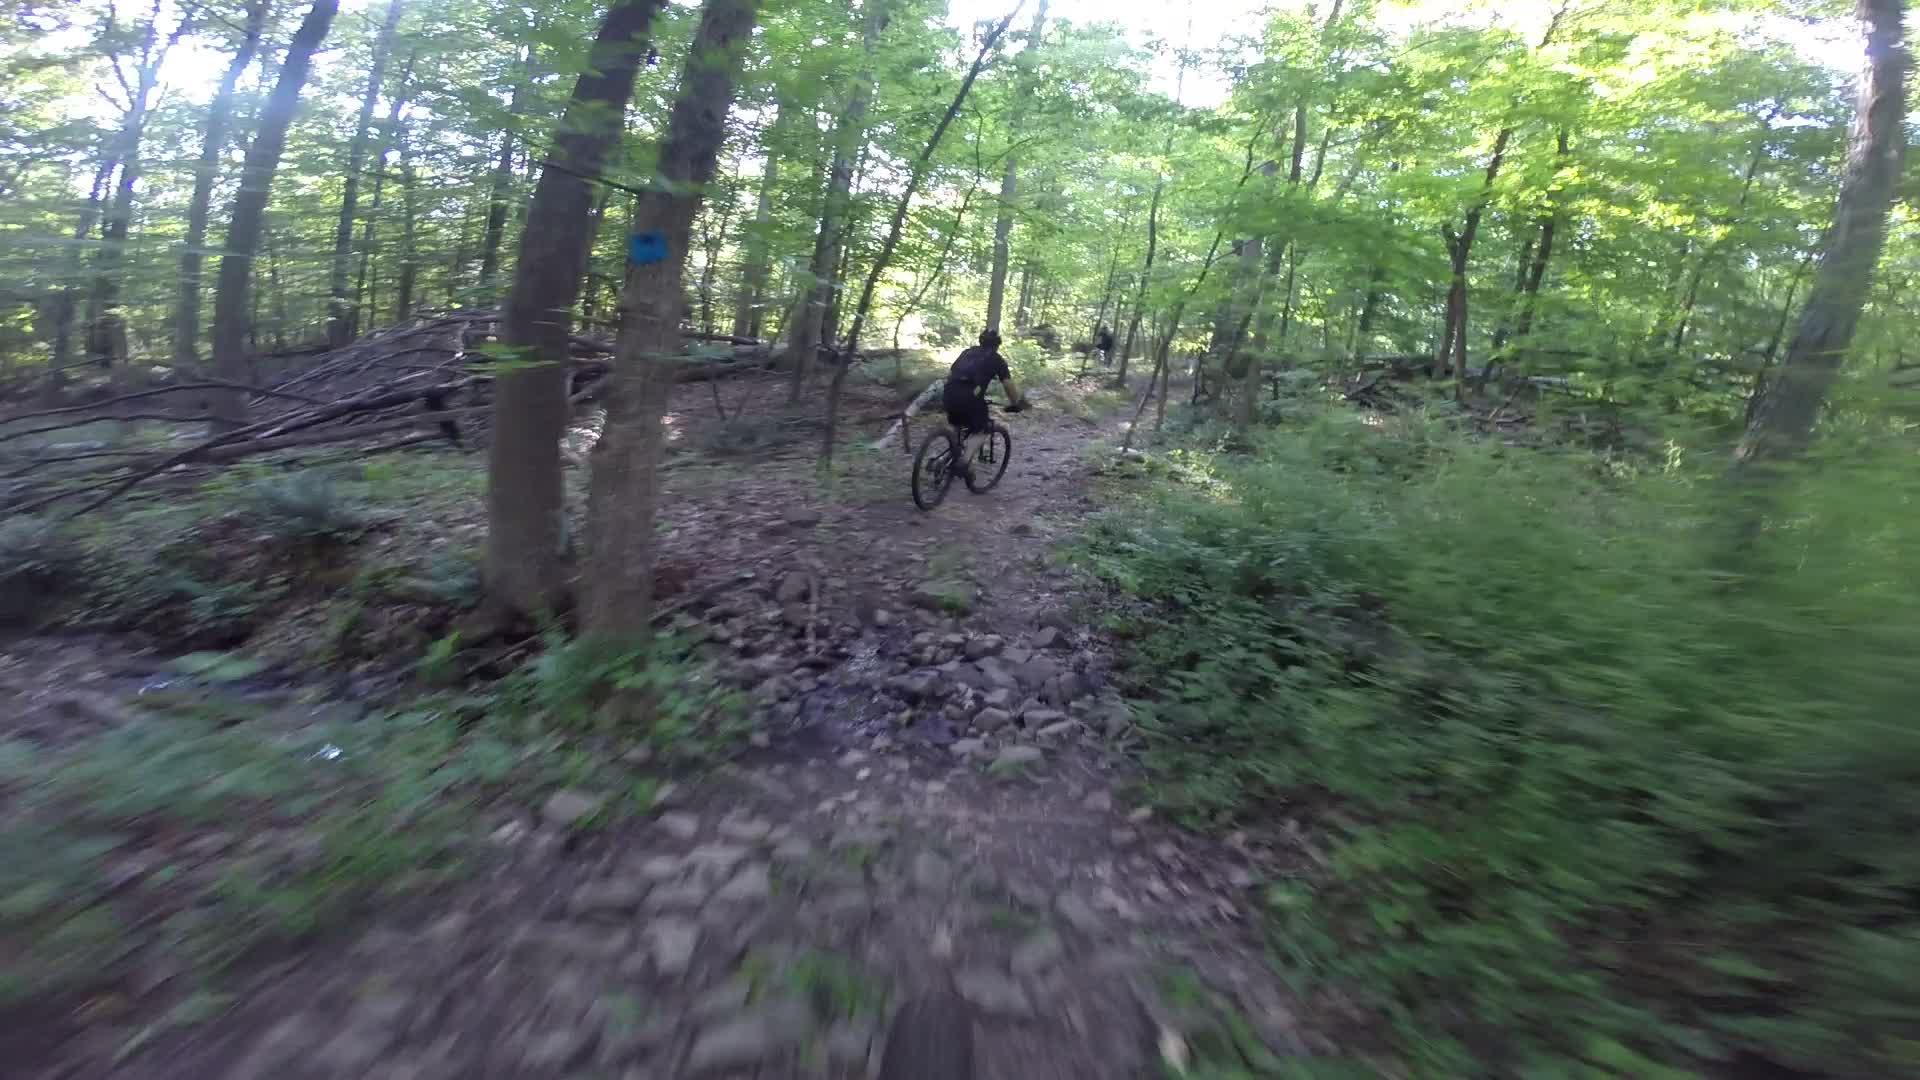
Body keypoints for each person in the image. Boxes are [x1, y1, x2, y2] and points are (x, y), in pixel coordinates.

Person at [943, 328, 1025, 480]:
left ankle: (951, 456)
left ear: (980, 341)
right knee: (983, 428)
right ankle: (964, 462)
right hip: (969, 397)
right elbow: (1008, 385)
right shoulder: (997, 359)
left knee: (957, 423)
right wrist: (1016, 403)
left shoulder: (966, 352)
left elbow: (951, 373)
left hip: (949, 393)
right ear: (997, 345)